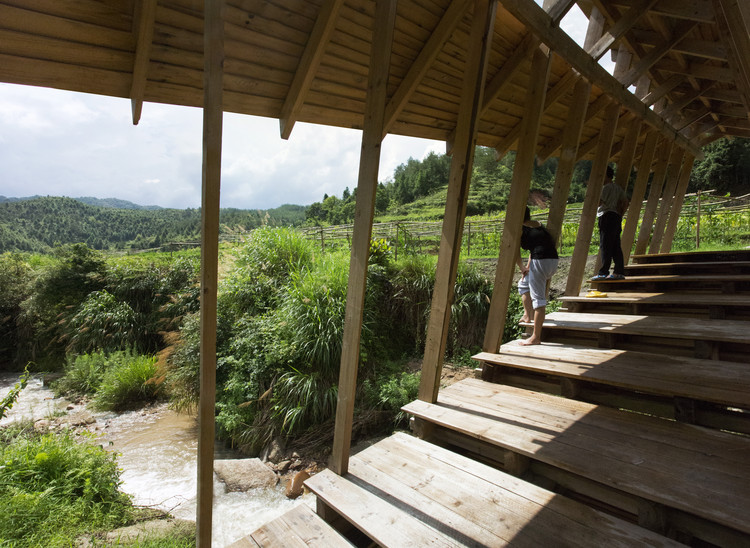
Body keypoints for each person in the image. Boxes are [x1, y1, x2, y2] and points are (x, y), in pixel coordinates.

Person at [517, 207, 559, 345]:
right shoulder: (537, 224)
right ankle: (527, 316)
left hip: (540, 262)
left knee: (538, 300)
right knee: (523, 284)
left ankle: (536, 337)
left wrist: (521, 267)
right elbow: (533, 248)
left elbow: (514, 250)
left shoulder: (520, 228)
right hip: (552, 261)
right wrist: (527, 268)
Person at [591, 165, 628, 281]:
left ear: (605, 175)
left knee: (605, 244)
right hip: (616, 217)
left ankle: (603, 272)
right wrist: (620, 214)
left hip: (606, 216)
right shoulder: (618, 188)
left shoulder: (605, 188)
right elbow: (626, 203)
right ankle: (619, 272)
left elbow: (599, 202)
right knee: (616, 245)